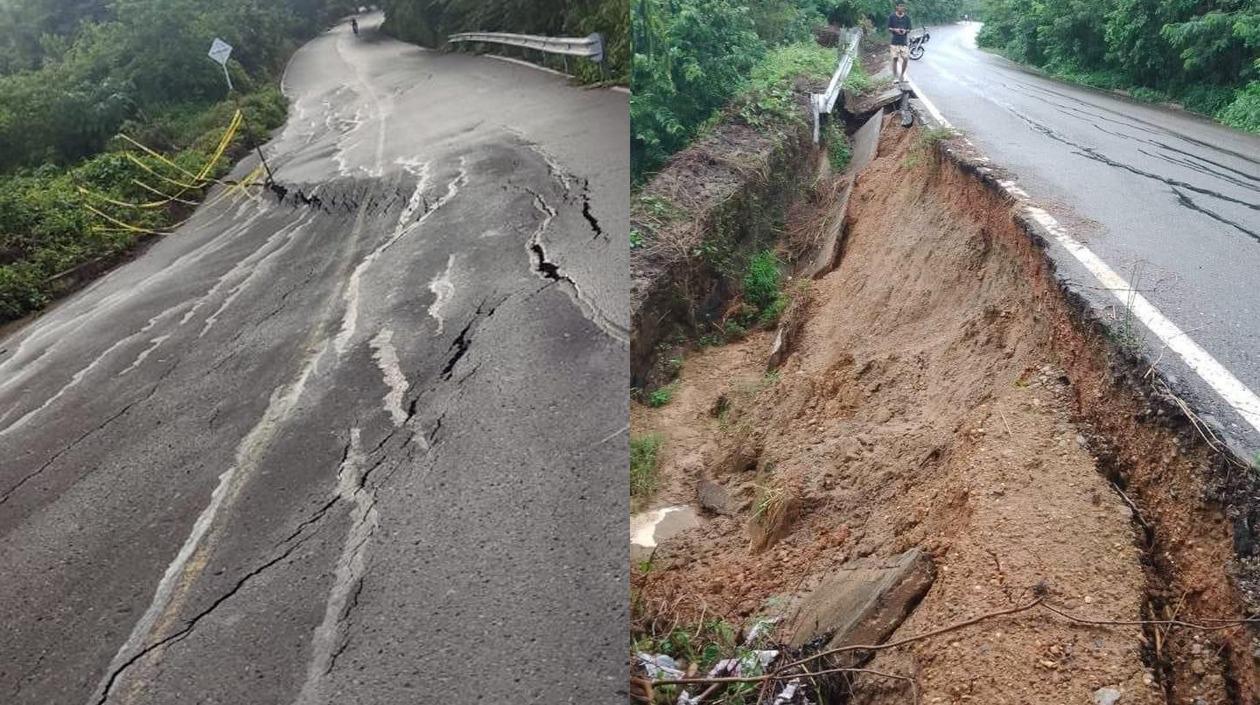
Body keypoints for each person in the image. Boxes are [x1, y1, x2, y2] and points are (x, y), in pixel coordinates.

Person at [888, 3, 911, 84]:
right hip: (894, 41)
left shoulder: (907, 18)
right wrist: (895, 30)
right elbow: (889, 28)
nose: (901, 7)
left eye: (903, 6)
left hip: (903, 42)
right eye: (900, 6)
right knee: (895, 59)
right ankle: (895, 77)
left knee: (906, 58)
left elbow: (909, 29)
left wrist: (905, 31)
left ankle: (902, 75)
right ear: (896, 7)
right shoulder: (892, 16)